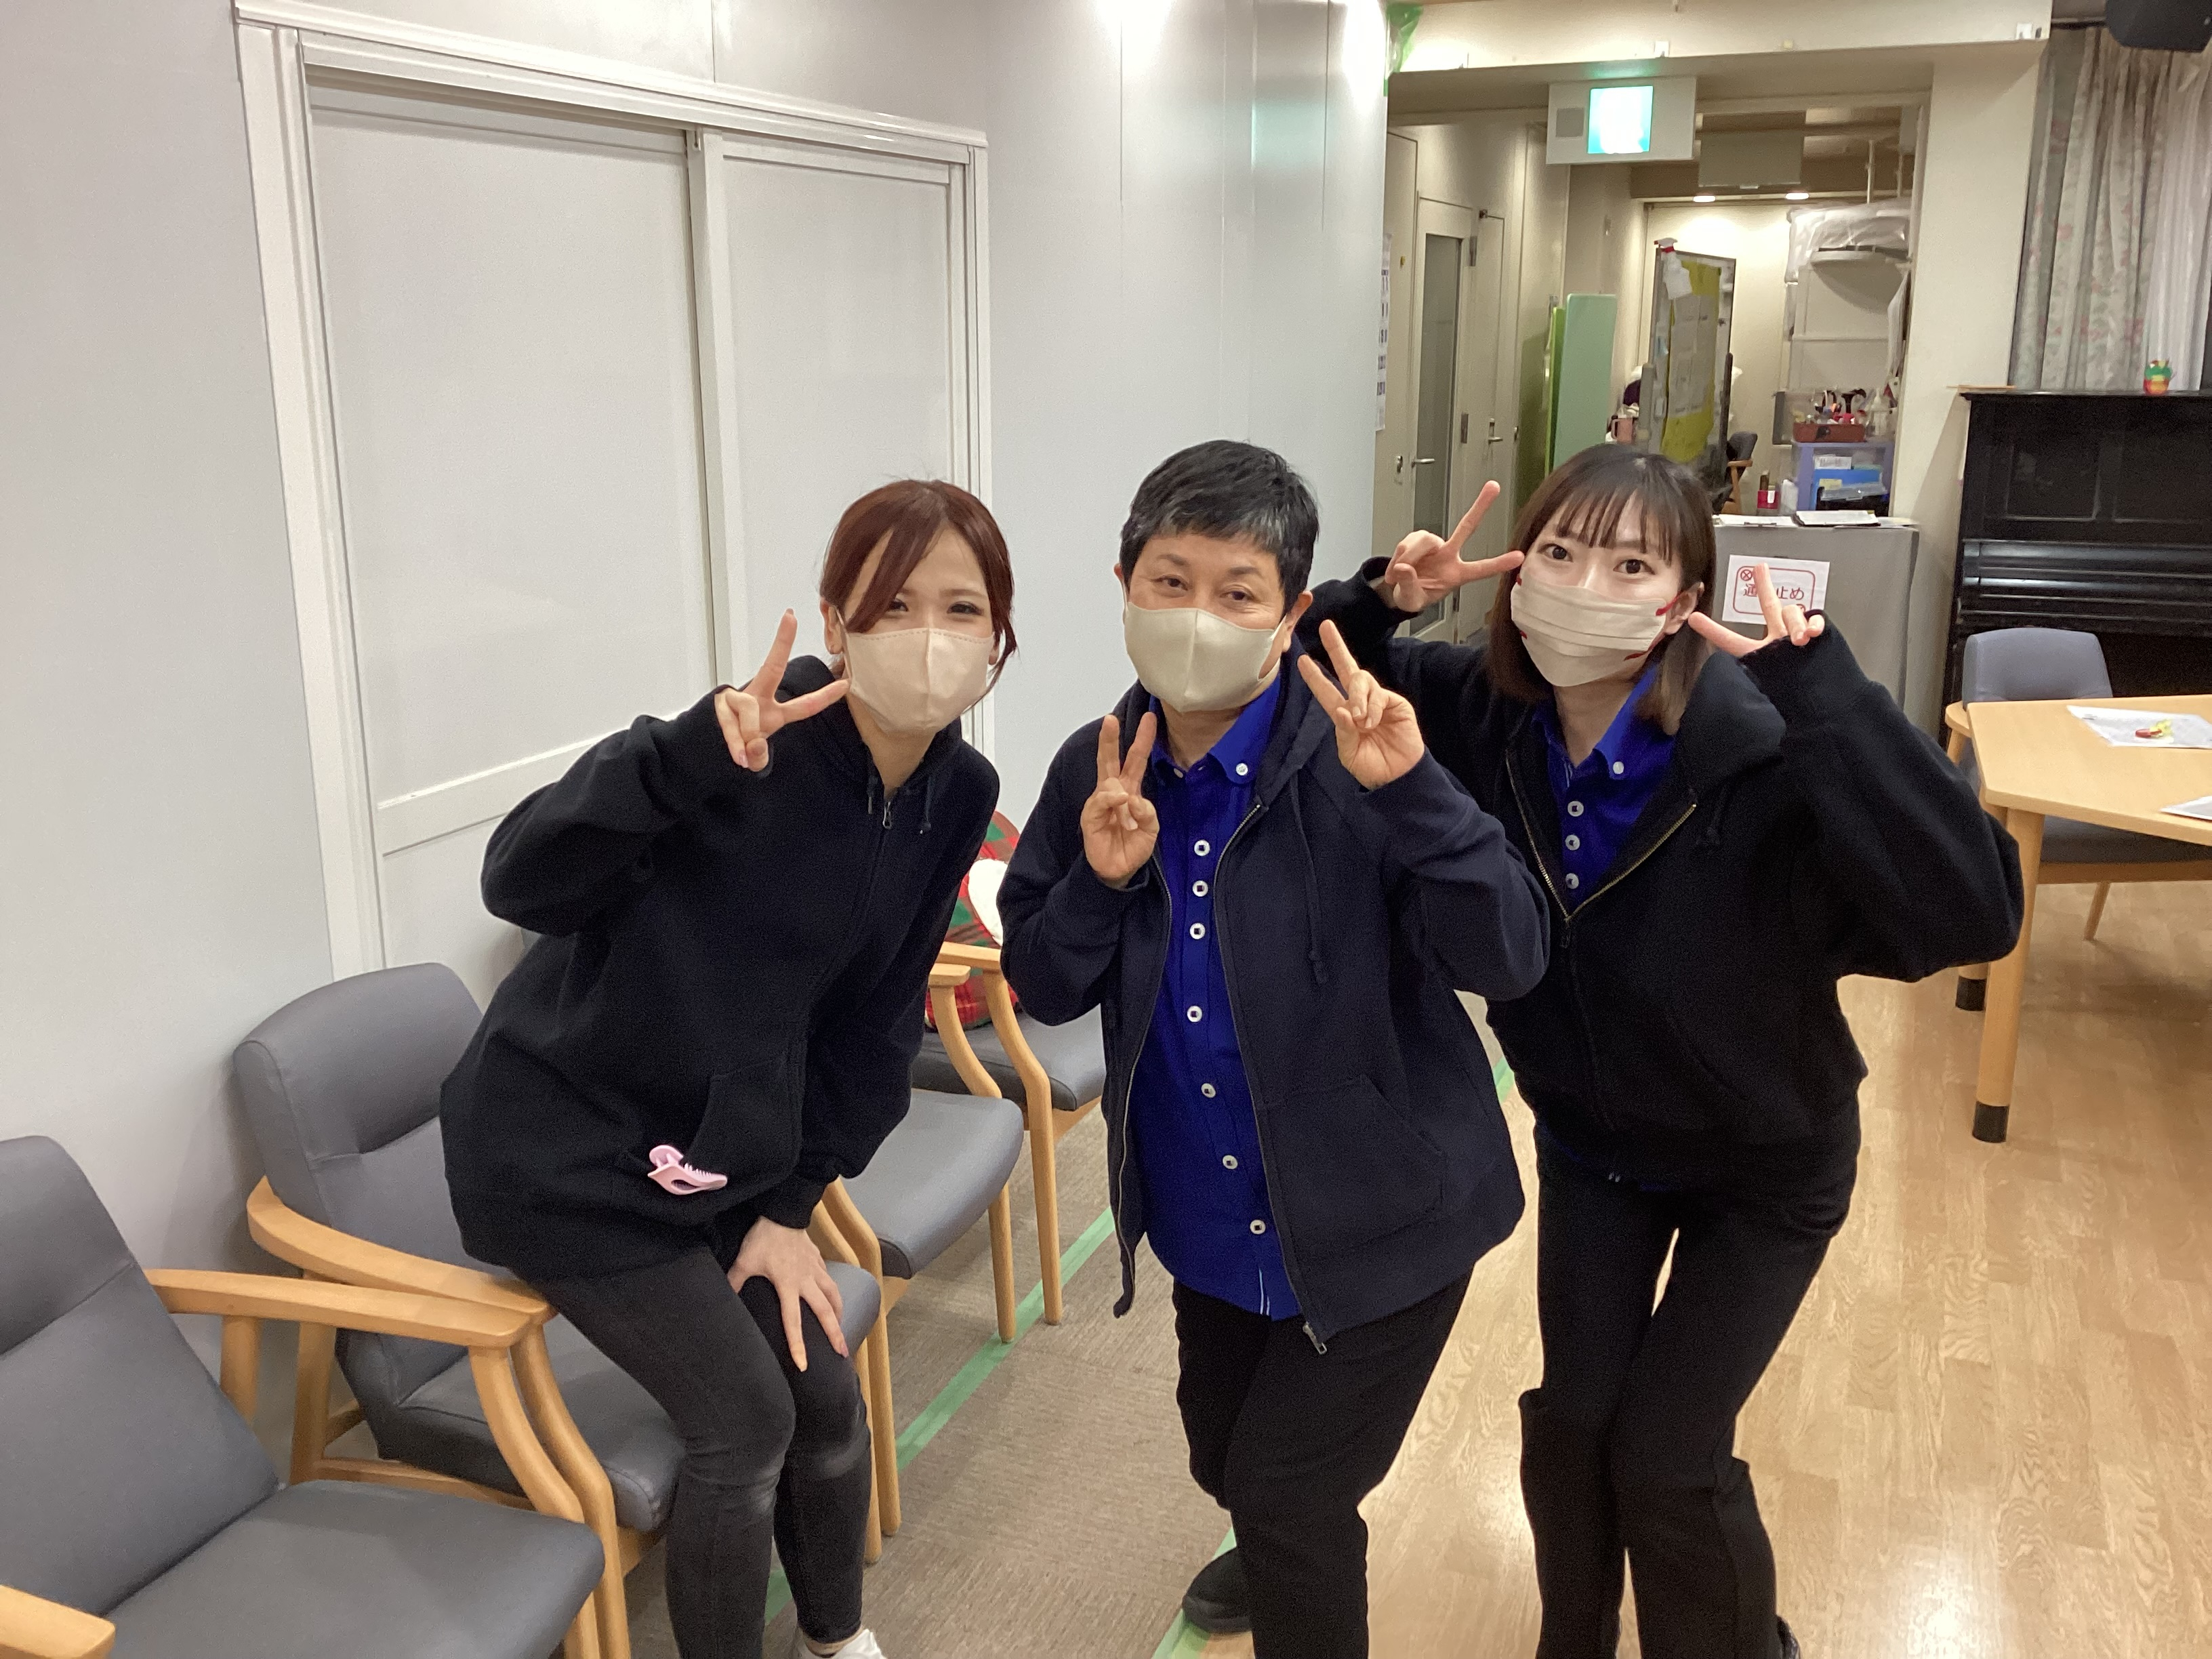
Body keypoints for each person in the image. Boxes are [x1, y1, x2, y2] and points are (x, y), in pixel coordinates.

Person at [1302, 444, 2022, 1659]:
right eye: (1562, 552)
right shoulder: (1484, 715)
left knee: (1669, 1458)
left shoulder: (1759, 742)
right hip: (1596, 1145)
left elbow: (1976, 910)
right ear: (1520, 571)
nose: (1587, 586)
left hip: (1766, 1164)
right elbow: (1306, 671)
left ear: (1685, 599)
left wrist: (1827, 692)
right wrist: (1381, 600)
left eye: (1631, 565)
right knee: (1572, 1425)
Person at [441, 480, 1014, 1659]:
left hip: (718, 1165)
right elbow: (519, 880)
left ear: (999, 636)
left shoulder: (958, 792)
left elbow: (875, 1019)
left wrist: (790, 1206)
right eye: (892, 605)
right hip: (563, 1153)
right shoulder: (744, 747)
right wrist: (674, 759)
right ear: (835, 620)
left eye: (962, 608)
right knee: (744, 1426)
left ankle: (836, 1642)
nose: (929, 637)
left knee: (823, 1392)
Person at [998, 440, 1550, 1658]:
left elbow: (1510, 957)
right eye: (1171, 581)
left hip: (1386, 1218)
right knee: (1225, 1459)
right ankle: (1265, 1526)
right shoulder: (1095, 767)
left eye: (1238, 591)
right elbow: (1043, 978)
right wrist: (1098, 882)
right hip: (1210, 1220)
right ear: (1124, 585)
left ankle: (1282, 1540)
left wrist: (1417, 796)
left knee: (1291, 1497)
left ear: (1291, 613)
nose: (1199, 615)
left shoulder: (1363, 755)